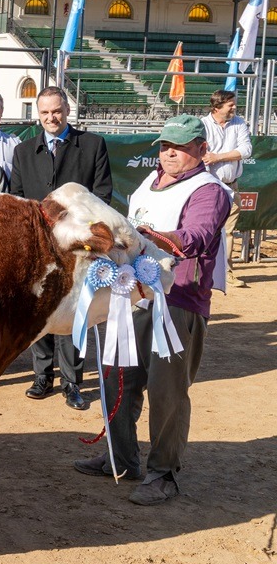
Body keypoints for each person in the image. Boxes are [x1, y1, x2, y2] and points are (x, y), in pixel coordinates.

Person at [75, 114, 230, 505]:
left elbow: (196, 236)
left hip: (179, 299)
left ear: (201, 150)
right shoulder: (150, 182)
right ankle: (122, 457)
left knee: (167, 391)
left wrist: (144, 237)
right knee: (116, 376)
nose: (169, 153)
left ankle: (164, 473)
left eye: (179, 146)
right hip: (135, 295)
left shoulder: (209, 190)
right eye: (164, 146)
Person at [10, 86, 112, 411]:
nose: (51, 118)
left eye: (56, 111)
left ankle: (72, 384)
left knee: (74, 317)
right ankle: (42, 377)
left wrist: (76, 233)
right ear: (37, 115)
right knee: (40, 313)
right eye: (44, 113)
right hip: (38, 250)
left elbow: (102, 196)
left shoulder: (93, 145)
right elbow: (19, 199)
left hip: (77, 249)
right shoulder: (24, 152)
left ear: (67, 110)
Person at [200, 90, 252, 288]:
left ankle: (227, 272)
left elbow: (246, 151)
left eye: (234, 104)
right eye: (230, 104)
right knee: (206, 230)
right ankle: (202, 270)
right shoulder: (203, 125)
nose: (234, 107)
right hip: (207, 187)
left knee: (228, 231)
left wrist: (218, 157)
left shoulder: (239, 122)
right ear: (216, 107)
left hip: (232, 185)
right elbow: (201, 154)